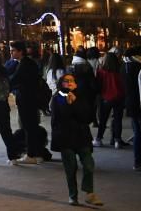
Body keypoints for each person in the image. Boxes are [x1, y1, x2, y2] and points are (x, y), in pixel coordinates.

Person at [51, 74, 102, 206]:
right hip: (66, 138)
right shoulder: (57, 98)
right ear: (61, 84)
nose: (69, 83)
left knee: (89, 164)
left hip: (82, 136)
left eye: (72, 81)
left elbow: (87, 117)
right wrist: (69, 104)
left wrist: (76, 102)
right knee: (71, 167)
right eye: (66, 81)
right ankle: (73, 195)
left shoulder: (81, 96)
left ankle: (89, 193)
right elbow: (60, 119)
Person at [8, 41, 44, 164]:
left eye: (13, 50)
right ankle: (34, 153)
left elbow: (14, 79)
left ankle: (31, 154)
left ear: (20, 51)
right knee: (30, 126)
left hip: (27, 100)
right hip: (30, 99)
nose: (11, 53)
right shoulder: (26, 63)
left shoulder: (24, 64)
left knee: (28, 126)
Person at [95, 50, 125, 148]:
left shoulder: (101, 72)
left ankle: (99, 139)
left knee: (103, 120)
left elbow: (98, 85)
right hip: (119, 97)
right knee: (117, 120)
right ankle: (117, 140)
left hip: (105, 98)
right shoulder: (120, 71)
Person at [123, 46, 141, 171]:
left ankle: (137, 161)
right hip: (138, 103)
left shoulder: (123, 67)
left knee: (137, 133)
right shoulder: (138, 67)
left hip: (130, 103)